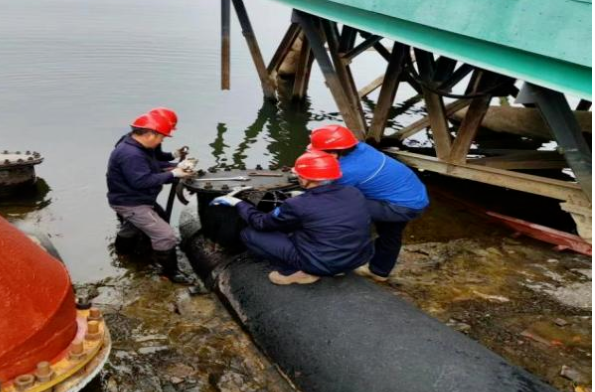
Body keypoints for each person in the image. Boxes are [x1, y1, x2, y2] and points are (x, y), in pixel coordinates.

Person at [211, 151, 373, 285]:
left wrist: (239, 203)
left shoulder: (298, 204)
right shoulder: (354, 192)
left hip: (321, 263)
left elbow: (261, 223)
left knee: (249, 233)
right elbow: (328, 211)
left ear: (306, 179)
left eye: (300, 175)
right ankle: (339, 267)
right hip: (357, 258)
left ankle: (296, 272)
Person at [308, 124, 429, 282]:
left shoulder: (347, 171)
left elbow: (328, 193)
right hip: (414, 195)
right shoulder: (361, 147)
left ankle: (337, 262)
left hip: (401, 206)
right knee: (390, 233)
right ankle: (380, 271)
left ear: (333, 153)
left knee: (339, 212)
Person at [107, 112, 194, 283]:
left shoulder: (137, 146)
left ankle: (122, 252)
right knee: (165, 234)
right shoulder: (131, 154)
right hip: (131, 202)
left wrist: (176, 166)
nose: (161, 141)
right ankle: (170, 272)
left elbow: (152, 165)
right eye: (161, 137)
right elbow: (142, 181)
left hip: (132, 198)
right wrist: (174, 173)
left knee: (135, 224)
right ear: (150, 135)